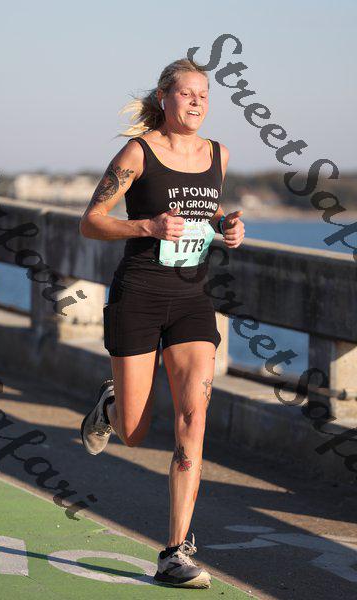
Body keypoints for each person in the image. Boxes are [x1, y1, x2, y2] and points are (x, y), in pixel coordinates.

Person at [79, 57, 245, 589]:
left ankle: (175, 551)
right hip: (139, 297)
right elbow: (91, 222)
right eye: (186, 93)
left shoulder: (218, 154)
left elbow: (204, 211)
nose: (196, 102)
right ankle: (109, 406)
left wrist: (227, 225)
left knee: (193, 419)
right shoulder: (138, 152)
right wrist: (147, 226)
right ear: (164, 98)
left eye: (204, 95)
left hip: (192, 301)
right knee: (134, 431)